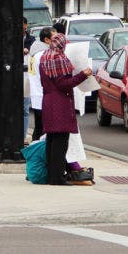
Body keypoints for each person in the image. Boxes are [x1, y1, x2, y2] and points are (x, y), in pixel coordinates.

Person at [39, 33, 92, 185]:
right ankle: (57, 177)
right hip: (60, 103)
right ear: (61, 45)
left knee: (52, 140)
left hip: (48, 100)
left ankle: (51, 175)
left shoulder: (45, 56)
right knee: (61, 142)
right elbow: (63, 84)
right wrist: (83, 75)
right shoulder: (59, 59)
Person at [28, 26, 55, 141]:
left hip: (36, 94)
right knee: (43, 129)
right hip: (43, 95)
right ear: (46, 40)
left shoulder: (35, 52)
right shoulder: (44, 55)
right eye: (55, 37)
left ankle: (34, 153)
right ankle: (37, 155)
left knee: (39, 127)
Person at [22, 17, 35, 142]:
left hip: (27, 75)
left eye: (23, 25)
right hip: (15, 75)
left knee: (25, 108)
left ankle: (23, 135)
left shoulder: (31, 40)